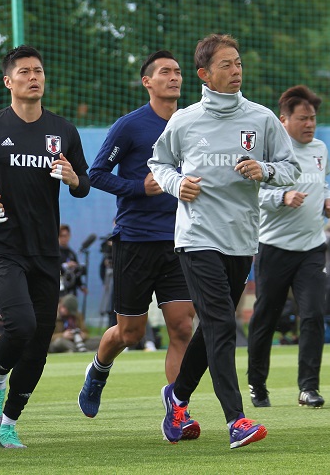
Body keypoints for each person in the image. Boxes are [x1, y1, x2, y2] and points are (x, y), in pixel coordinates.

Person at [148, 33, 300, 449]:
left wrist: (265, 171)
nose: (236, 71)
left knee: (209, 330)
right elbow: (158, 163)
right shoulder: (184, 120)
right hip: (196, 238)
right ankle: (236, 420)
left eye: (238, 64)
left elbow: (290, 168)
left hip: (240, 240)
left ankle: (176, 399)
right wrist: (177, 183)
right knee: (220, 324)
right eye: (227, 65)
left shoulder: (262, 119)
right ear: (204, 74)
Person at [0, 44, 90, 448]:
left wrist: (73, 178)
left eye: (38, 70)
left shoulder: (63, 132)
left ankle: (8, 423)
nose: (33, 77)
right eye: (24, 72)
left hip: (45, 251)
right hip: (1, 245)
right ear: (8, 82)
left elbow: (83, 185)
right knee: (21, 324)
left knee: (39, 345)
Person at [81, 50, 199, 438]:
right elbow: (95, 173)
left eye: (178, 72)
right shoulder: (131, 126)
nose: (174, 77)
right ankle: (98, 370)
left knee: (182, 327)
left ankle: (177, 413)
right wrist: (138, 187)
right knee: (129, 334)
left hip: (180, 240)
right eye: (165, 72)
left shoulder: (194, 123)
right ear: (147, 82)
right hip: (135, 240)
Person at [248, 85, 328, 408]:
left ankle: (308, 388)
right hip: (274, 248)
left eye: (312, 118)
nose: (309, 124)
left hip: (312, 248)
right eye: (302, 118)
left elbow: (320, 185)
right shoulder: (271, 153)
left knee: (313, 314)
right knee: (266, 317)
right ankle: (257, 385)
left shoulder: (321, 149)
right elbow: (252, 195)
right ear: (284, 120)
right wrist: (282, 196)